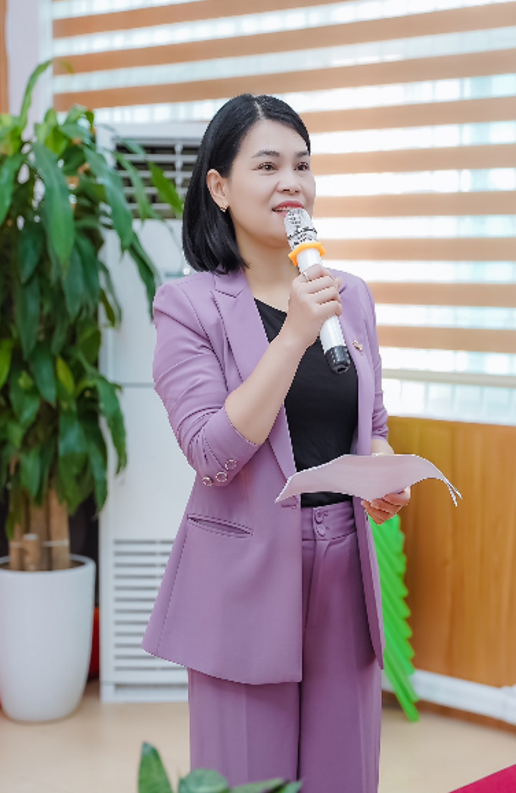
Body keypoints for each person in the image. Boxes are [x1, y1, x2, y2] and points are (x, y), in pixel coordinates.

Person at [140, 94, 410, 793]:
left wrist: (384, 472)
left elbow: (372, 426)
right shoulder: (186, 306)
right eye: (267, 166)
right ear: (220, 187)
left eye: (302, 165)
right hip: (243, 577)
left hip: (344, 566)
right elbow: (211, 451)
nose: (291, 182)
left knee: (345, 776)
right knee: (247, 776)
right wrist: (292, 333)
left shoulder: (350, 296)